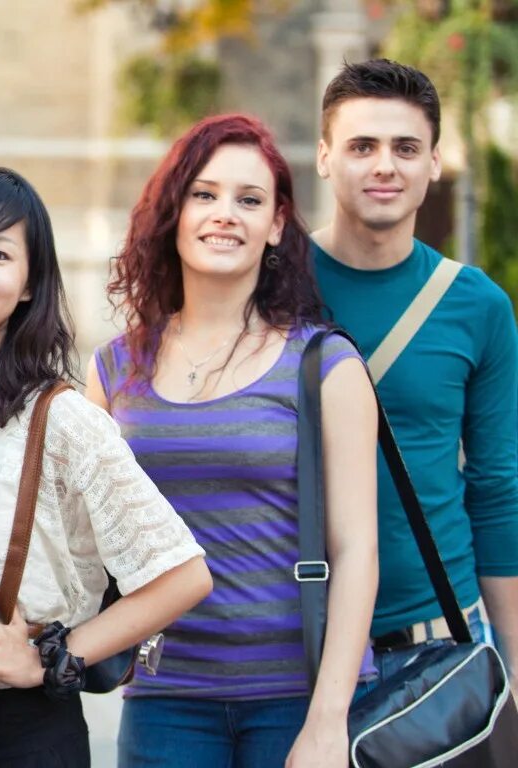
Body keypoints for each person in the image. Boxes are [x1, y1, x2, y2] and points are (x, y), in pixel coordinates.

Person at [0, 166, 211, 767]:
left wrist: (53, 658)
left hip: (18, 737)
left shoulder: (62, 422)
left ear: (30, 283)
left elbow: (182, 575)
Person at [87, 114, 380, 767]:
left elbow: (357, 549)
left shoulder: (325, 365)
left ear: (275, 226)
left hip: (295, 696)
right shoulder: (113, 369)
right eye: (205, 194)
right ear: (175, 211)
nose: (226, 214)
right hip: (165, 699)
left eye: (250, 200)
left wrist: (330, 720)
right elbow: (80, 542)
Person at [311, 59, 518, 682]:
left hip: (436, 641)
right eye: (361, 146)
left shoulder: (477, 305)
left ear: (433, 162)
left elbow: (498, 488)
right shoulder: (266, 287)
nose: (384, 165)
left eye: (405, 147)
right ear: (325, 156)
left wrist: (512, 663)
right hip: (286, 644)